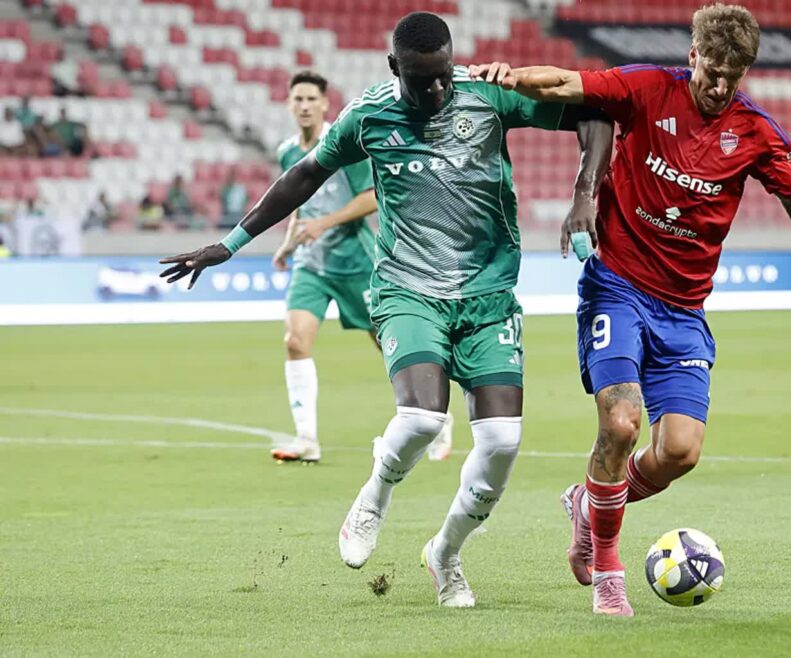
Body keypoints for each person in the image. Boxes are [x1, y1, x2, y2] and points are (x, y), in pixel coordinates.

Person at [158, 11, 613, 608]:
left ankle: (445, 554)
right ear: (394, 67)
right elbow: (304, 175)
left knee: (501, 441)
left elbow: (596, 114)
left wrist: (584, 197)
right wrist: (231, 244)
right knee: (424, 418)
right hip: (407, 289)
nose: (437, 91)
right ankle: (376, 492)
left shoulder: (489, 96)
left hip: (488, 295)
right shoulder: (369, 115)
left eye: (444, 76)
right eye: (422, 80)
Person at [470, 2, 791, 617]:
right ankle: (610, 569)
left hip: (684, 310)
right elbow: (567, 83)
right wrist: (510, 75)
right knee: (621, 424)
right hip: (617, 285)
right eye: (712, 71)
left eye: (734, 76)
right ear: (693, 55)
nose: (720, 86)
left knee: (680, 452)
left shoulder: (756, 133)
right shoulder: (647, 88)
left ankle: (589, 502)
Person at [267, 69, 453, 464]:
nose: (303, 106)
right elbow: (299, 199)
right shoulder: (287, 151)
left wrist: (324, 223)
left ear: (324, 104)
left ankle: (438, 414)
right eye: (296, 99)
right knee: (295, 341)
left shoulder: (343, 145)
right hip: (312, 265)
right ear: (289, 104)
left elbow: (371, 198)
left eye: (310, 100)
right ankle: (307, 439)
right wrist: (288, 242)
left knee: (390, 344)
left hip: (356, 263)